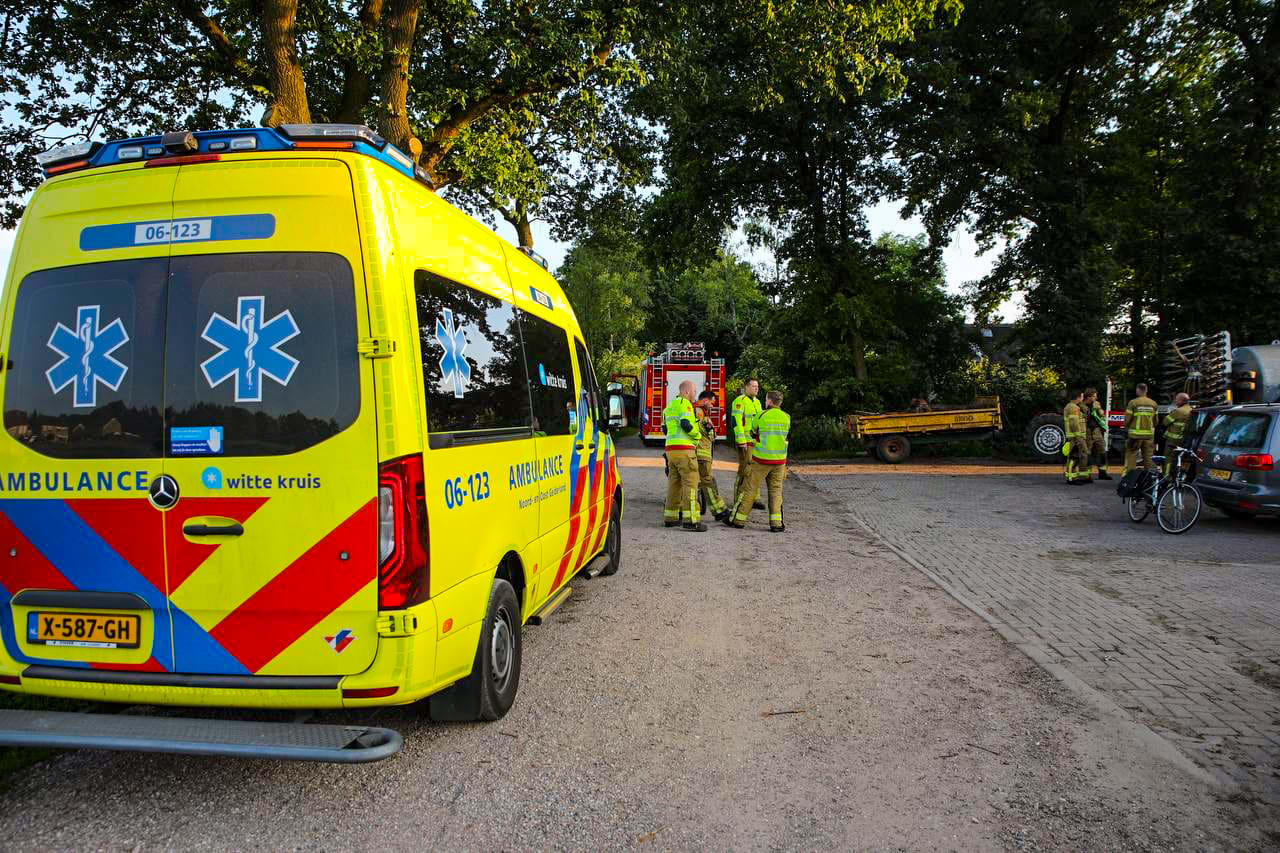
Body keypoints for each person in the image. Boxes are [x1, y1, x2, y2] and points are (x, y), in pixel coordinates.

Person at [725, 390, 790, 531]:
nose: (765, 402)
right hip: (779, 461)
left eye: (766, 400)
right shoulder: (786, 417)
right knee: (776, 491)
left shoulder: (761, 415)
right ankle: (776, 524)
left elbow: (752, 432)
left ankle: (738, 520)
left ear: (770, 401)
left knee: (749, 488)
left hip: (761, 460)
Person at [662, 380, 706, 532]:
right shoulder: (685, 404)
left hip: (670, 450)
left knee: (674, 484)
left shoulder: (669, 406)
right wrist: (698, 435)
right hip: (685, 450)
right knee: (691, 484)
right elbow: (686, 424)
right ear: (687, 391)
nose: (695, 394)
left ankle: (671, 517)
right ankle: (691, 520)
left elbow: (664, 429)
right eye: (694, 391)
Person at [694, 390, 729, 521]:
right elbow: (699, 433)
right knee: (707, 482)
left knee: (703, 482)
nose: (713, 406)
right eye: (712, 403)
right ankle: (719, 511)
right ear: (705, 400)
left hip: (701, 454)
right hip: (701, 454)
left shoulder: (702, 412)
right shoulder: (698, 412)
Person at [730, 379, 762, 506]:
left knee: (755, 470)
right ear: (746, 387)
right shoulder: (740, 401)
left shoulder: (758, 402)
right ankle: (739, 498)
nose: (756, 388)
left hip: (756, 442)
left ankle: (754, 498)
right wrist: (741, 441)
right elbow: (735, 421)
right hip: (745, 442)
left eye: (757, 386)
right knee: (744, 470)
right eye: (754, 386)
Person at [1124, 383, 1158, 474]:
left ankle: (1129, 479)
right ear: (1146, 390)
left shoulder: (1133, 402)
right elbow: (1156, 421)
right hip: (1149, 436)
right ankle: (1150, 479)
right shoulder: (1153, 403)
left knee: (1131, 457)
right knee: (1148, 458)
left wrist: (1127, 428)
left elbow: (1127, 420)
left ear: (1138, 390)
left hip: (1135, 436)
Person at [1082, 387, 1111, 481]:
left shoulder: (1096, 404)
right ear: (1088, 397)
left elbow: (1101, 416)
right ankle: (1087, 475)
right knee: (1088, 454)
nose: (1096, 398)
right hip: (1087, 432)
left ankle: (1103, 473)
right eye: (1094, 396)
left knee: (1102, 451)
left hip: (1097, 431)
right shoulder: (1081, 406)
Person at [1063, 390, 1090, 484]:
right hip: (1075, 437)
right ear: (1078, 397)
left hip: (1075, 437)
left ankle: (1073, 477)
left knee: (1076, 457)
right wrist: (1079, 437)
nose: (1083, 398)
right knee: (1074, 457)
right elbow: (1074, 424)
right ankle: (1071, 478)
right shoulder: (1073, 408)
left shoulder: (1071, 406)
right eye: (1082, 396)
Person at [1162, 392, 1193, 476]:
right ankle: (1177, 476)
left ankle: (1166, 476)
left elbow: (1165, 422)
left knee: (1168, 458)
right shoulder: (1191, 410)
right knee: (1179, 459)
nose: (1175, 401)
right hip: (1184, 440)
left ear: (1182, 401)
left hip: (1173, 440)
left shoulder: (1178, 411)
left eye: (1177, 399)